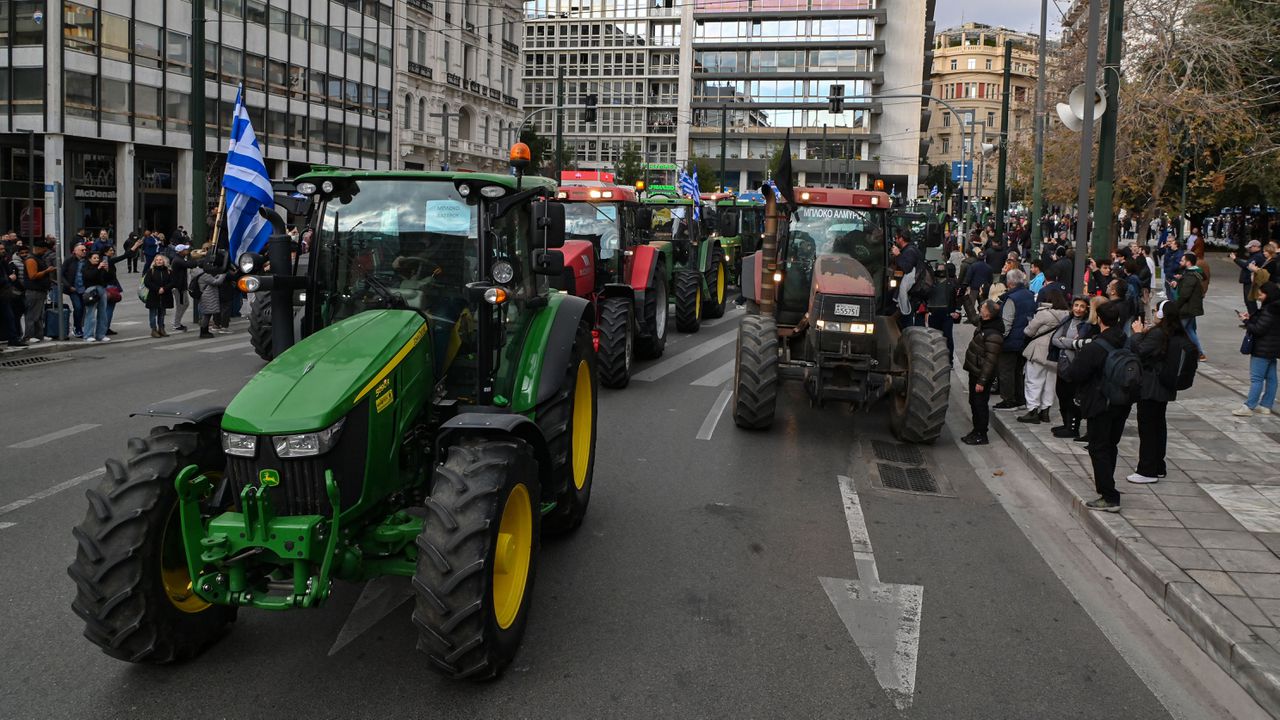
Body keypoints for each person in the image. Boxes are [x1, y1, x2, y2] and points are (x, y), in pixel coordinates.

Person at [1059, 301, 1133, 512]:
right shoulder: (1125, 341)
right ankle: (1109, 483)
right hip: (1122, 400)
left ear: (1099, 319)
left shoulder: (1095, 346)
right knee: (1111, 445)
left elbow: (1075, 373)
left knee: (1098, 447)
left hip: (1100, 402)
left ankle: (1108, 494)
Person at [1126, 302, 1192, 483]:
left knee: (1148, 429)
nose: (1153, 313)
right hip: (1163, 388)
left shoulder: (1158, 333)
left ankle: (1146, 470)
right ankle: (1158, 466)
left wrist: (1138, 334)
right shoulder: (1174, 332)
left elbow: (1139, 351)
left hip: (1152, 388)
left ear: (1162, 314)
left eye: (1156, 311)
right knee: (1158, 427)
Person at [1018, 287, 1070, 423]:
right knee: (1050, 383)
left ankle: (1032, 410)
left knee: (1033, 380)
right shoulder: (1067, 315)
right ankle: (1045, 411)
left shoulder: (1043, 314)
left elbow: (1029, 331)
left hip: (1039, 351)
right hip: (1056, 352)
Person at [1050, 296, 1095, 438]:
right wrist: (1070, 342)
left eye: (1082, 306)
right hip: (1062, 363)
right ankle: (1066, 423)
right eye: (1076, 305)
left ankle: (1073, 427)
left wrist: (1066, 341)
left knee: (1071, 397)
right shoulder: (1067, 320)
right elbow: (1055, 339)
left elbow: (1081, 343)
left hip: (1075, 365)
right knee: (1061, 394)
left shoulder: (1087, 325)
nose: (1078, 309)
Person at [962, 300, 1005, 445]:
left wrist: (982, 381)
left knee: (980, 404)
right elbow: (973, 317)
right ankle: (976, 431)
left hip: (981, 375)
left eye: (983, 307)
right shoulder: (984, 322)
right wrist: (966, 299)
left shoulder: (993, 334)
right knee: (973, 402)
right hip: (974, 371)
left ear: (988, 313)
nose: (980, 308)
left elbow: (990, 362)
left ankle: (982, 434)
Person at [1236, 282, 1280, 417]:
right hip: (1273, 348)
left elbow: (1259, 329)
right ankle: (1266, 405)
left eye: (1261, 294)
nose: (1259, 296)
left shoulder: (1269, 310)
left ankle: (1249, 407)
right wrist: (1253, 318)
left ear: (1268, 295)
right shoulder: (1276, 308)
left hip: (1262, 349)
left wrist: (1246, 321)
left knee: (1256, 379)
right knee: (1272, 378)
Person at [994, 268, 1035, 410]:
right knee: (1018, 371)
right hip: (1024, 339)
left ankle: (1008, 400)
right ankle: (1020, 398)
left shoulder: (1011, 298)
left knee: (1006, 370)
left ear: (1009, 283)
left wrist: (999, 338)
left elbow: (1007, 322)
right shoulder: (1029, 295)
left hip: (1010, 341)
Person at [1170, 252, 1207, 360]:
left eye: (1182, 260)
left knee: (1178, 330)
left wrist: (1175, 307)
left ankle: (1193, 353)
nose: (1180, 262)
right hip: (1189, 308)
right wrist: (1178, 282)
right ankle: (1199, 353)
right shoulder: (1191, 274)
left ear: (1188, 262)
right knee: (1189, 330)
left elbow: (1184, 295)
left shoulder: (1190, 276)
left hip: (1186, 309)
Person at [22, 239, 56, 343]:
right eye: (44, 250)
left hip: (40, 290)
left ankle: (39, 335)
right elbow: (32, 275)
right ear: (39, 249)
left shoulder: (39, 258)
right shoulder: (31, 260)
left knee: (39, 315)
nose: (45, 252)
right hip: (33, 291)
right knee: (32, 315)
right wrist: (47, 271)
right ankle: (29, 335)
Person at [80, 251, 112, 342]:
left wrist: (106, 270)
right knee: (90, 313)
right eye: (94, 258)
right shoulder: (86, 267)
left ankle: (101, 334)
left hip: (101, 289)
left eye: (98, 258)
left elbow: (109, 278)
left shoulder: (101, 267)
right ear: (89, 259)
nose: (97, 260)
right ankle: (88, 334)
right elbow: (89, 276)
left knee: (103, 313)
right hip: (91, 290)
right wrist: (98, 268)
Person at [143, 254, 176, 337]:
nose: (159, 261)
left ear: (164, 261)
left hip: (165, 295)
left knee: (162, 313)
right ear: (154, 262)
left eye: (160, 260)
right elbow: (147, 282)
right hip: (153, 295)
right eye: (157, 260)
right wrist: (158, 289)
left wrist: (164, 289)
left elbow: (173, 282)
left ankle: (161, 328)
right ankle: (153, 329)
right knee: (153, 314)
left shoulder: (168, 271)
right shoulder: (151, 271)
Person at [61, 243, 89, 338]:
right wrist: (68, 286)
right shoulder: (69, 260)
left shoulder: (87, 261)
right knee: (78, 307)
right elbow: (61, 274)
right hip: (73, 289)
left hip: (84, 288)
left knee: (83, 308)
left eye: (85, 250)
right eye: (82, 250)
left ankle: (81, 327)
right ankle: (77, 328)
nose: (84, 252)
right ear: (75, 251)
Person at [1235, 240, 1266, 317]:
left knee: (1250, 301)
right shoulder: (1253, 255)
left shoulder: (1257, 256)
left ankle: (1254, 319)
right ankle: (1251, 319)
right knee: (1248, 301)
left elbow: (1246, 265)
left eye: (1250, 247)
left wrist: (1235, 259)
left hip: (1251, 281)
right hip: (1248, 281)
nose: (1249, 249)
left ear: (1256, 247)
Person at [196, 260, 226, 338]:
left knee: (207, 314)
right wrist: (223, 274)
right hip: (208, 296)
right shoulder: (205, 275)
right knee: (206, 315)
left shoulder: (198, 273)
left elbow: (211, 280)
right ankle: (203, 332)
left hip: (204, 294)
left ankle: (205, 331)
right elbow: (216, 282)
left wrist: (217, 276)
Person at [169, 244, 195, 332]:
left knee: (185, 304)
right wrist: (192, 256)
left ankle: (177, 322)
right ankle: (176, 324)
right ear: (181, 251)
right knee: (180, 305)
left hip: (181, 286)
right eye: (185, 250)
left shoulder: (179, 258)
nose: (187, 251)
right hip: (178, 287)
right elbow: (190, 264)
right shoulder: (178, 260)